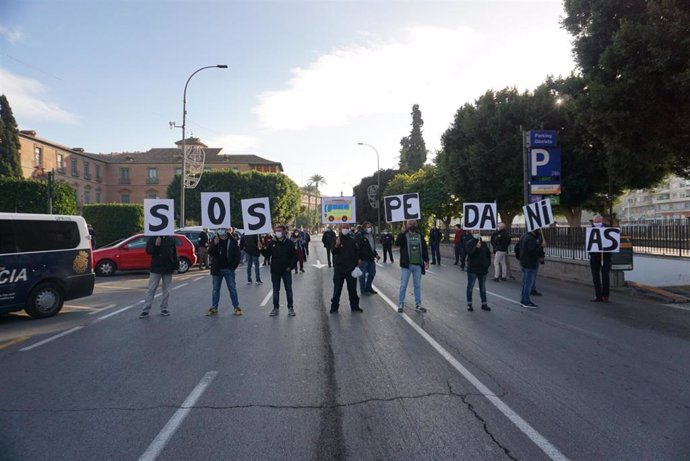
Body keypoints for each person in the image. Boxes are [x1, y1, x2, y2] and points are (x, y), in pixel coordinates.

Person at [139, 235, 178, 318]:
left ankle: (164, 308)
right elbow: (148, 250)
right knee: (151, 289)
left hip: (168, 267)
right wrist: (156, 245)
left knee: (167, 290)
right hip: (156, 267)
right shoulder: (154, 238)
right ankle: (146, 310)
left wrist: (176, 267)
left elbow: (174, 253)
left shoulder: (170, 239)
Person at [206, 227, 242, 317]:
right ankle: (214, 308)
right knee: (215, 290)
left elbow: (237, 256)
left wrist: (232, 268)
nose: (221, 231)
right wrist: (214, 244)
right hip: (217, 269)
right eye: (220, 229)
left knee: (232, 289)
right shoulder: (215, 239)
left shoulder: (233, 241)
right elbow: (210, 252)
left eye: (223, 229)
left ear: (227, 230)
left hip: (228, 269)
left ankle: (236, 307)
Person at [396, 219, 429, 313]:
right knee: (403, 285)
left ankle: (418, 305)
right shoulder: (404, 235)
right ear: (406, 225)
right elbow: (397, 243)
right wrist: (401, 233)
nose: (412, 225)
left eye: (414, 223)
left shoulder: (420, 236)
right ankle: (401, 304)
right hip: (406, 265)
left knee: (417, 285)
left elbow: (424, 249)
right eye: (410, 224)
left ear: (416, 224)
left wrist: (426, 261)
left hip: (418, 265)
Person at [330, 223, 363, 313]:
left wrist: (359, 260)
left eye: (347, 227)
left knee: (352, 290)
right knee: (337, 290)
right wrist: (337, 245)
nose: (345, 229)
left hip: (351, 269)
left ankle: (355, 306)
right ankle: (334, 307)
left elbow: (357, 252)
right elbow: (333, 252)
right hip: (339, 269)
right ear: (340, 229)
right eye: (344, 227)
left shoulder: (352, 240)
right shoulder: (336, 239)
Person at [268, 224, 297, 316]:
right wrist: (261, 249)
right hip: (275, 271)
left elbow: (294, 256)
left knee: (288, 290)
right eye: (276, 230)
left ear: (284, 232)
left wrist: (290, 267)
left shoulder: (289, 243)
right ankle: (275, 308)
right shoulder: (272, 243)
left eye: (280, 230)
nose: (278, 232)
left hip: (286, 271)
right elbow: (267, 254)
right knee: (276, 290)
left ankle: (290, 308)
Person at [516, 229, 545, 308]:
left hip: (524, 262)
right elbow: (532, 251)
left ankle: (523, 300)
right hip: (529, 263)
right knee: (528, 283)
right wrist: (541, 246)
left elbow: (517, 248)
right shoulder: (530, 238)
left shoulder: (524, 236)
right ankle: (526, 301)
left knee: (525, 282)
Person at [465, 231, 491, 311]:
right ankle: (469, 304)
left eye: (478, 232)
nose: (477, 233)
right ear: (473, 233)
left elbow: (488, 255)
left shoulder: (484, 244)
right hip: (473, 269)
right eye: (475, 232)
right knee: (470, 287)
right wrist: (476, 247)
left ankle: (484, 304)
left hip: (483, 269)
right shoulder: (469, 243)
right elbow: (470, 254)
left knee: (482, 287)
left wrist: (487, 264)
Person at [589, 214, 612, 302]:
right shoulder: (590, 230)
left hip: (605, 256)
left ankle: (605, 295)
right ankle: (598, 296)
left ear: (602, 221)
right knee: (595, 277)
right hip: (594, 256)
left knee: (605, 276)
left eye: (598, 221)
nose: (596, 223)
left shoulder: (608, 228)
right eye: (595, 221)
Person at [357, 221, 379, 295]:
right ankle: (363, 290)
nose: (370, 228)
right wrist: (359, 258)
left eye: (370, 226)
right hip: (363, 259)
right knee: (362, 275)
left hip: (371, 258)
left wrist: (376, 254)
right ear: (364, 228)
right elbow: (357, 248)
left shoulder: (371, 235)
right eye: (368, 227)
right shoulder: (360, 236)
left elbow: (372, 247)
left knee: (372, 273)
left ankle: (368, 287)